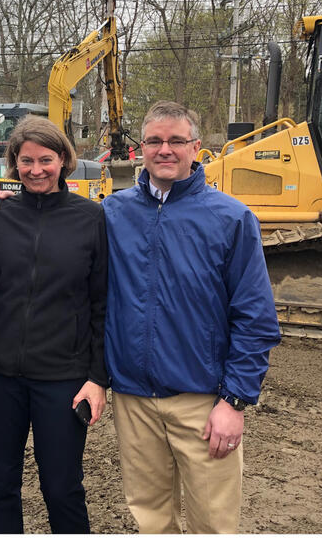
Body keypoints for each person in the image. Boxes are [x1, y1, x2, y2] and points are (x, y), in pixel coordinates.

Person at [104, 101, 282, 533]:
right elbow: (58, 227)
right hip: (133, 400)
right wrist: (5, 200)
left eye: (176, 141)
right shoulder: (112, 213)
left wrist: (235, 401)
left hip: (204, 402)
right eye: (154, 141)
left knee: (213, 524)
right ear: (139, 149)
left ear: (197, 148)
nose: (165, 150)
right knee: (150, 518)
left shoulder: (231, 219)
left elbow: (255, 319)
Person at [0, 115, 110, 534]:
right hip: (0, 378)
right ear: (14, 164)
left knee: (63, 488)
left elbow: (102, 303)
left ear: (64, 160)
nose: (36, 170)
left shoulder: (91, 219)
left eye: (46, 160)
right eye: (26, 161)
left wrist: (97, 377)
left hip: (63, 380)